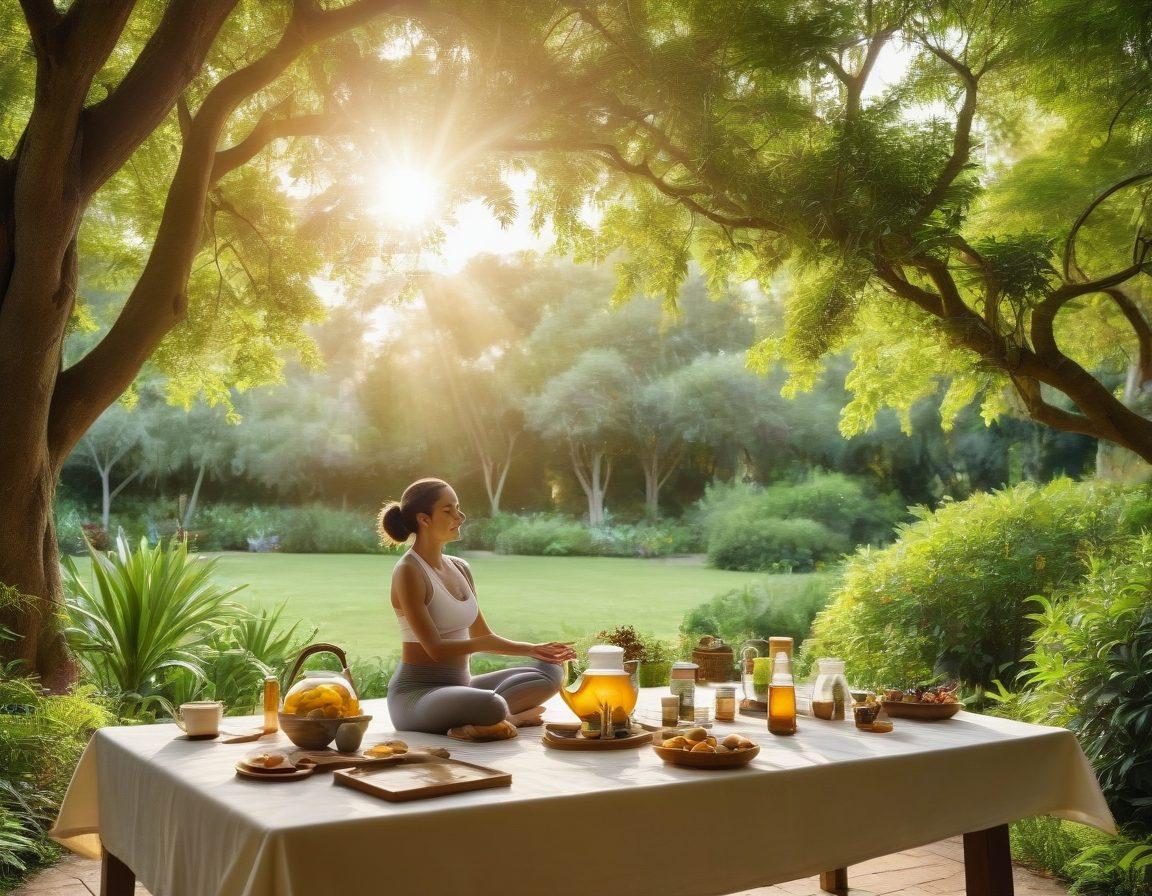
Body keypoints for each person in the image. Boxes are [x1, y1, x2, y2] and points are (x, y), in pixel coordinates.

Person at [379, 478, 576, 741]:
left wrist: (533, 649)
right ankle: (507, 717)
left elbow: (483, 633)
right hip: (417, 696)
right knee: (491, 704)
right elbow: (435, 649)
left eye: (458, 508)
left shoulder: (460, 568)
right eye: (448, 511)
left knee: (551, 670)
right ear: (424, 520)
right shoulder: (409, 571)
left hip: (461, 686)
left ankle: (484, 718)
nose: (460, 516)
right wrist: (482, 644)